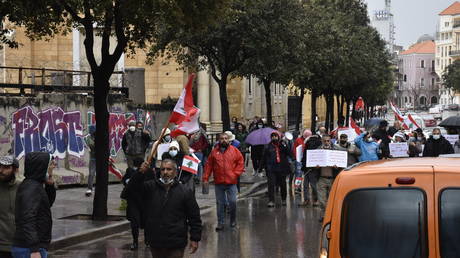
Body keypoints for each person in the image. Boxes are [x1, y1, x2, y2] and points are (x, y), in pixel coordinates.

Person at [129, 159, 202, 258]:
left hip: (176, 242)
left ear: (175, 172)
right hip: (156, 241)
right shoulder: (150, 187)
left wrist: (195, 239)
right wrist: (140, 172)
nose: (165, 172)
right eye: (163, 169)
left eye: (169, 169)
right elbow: (132, 189)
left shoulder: (185, 192)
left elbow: (194, 217)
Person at [12, 152, 56, 258]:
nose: (53, 166)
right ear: (42, 167)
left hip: (32, 246)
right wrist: (34, 249)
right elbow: (27, 218)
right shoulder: (31, 188)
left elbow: (46, 205)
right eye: (50, 164)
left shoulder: (34, 185)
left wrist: (50, 186)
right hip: (29, 248)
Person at [203, 133, 244, 231]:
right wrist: (205, 178)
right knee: (220, 203)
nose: (224, 140)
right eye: (222, 139)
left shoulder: (235, 151)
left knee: (233, 202)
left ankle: (233, 221)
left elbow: (240, 162)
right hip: (219, 182)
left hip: (231, 182)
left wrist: (235, 174)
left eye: (226, 138)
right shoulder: (214, 152)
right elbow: (208, 166)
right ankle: (220, 223)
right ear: (218, 140)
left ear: (229, 140)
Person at [122, 157, 147, 251]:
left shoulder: (147, 172)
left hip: (144, 201)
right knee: (134, 223)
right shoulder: (130, 171)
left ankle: (147, 240)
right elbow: (124, 180)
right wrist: (126, 181)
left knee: (146, 222)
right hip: (133, 201)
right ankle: (135, 242)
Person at [260, 131, 290, 208]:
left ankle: (283, 199)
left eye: (275, 136)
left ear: (278, 137)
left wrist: (285, 145)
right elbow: (263, 158)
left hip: (282, 168)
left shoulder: (283, 145)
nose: (274, 138)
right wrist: (260, 168)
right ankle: (271, 201)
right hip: (271, 169)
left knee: (283, 185)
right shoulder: (267, 146)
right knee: (271, 185)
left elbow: (289, 153)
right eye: (272, 136)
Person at [315, 135, 339, 220]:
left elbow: (341, 163)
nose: (326, 142)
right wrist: (316, 166)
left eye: (328, 141)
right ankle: (324, 215)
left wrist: (337, 167)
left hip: (333, 179)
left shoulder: (336, 150)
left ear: (330, 141)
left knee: (332, 199)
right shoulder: (318, 151)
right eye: (324, 141)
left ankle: (331, 216)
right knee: (322, 199)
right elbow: (312, 164)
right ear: (322, 141)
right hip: (321, 178)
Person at [0, 156, 20, 258]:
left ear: (15, 170)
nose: (1, 170)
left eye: (6, 167)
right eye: (0, 166)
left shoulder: (22, 187)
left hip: (18, 245)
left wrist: (50, 186)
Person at [299, 134, 322, 207]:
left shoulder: (308, 142)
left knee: (306, 184)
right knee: (313, 184)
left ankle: (307, 200)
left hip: (307, 166)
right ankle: (316, 200)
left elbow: (304, 155)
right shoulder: (318, 143)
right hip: (314, 167)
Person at [85, 125, 96, 196]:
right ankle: (90, 188)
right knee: (91, 174)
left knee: (101, 174)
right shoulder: (89, 137)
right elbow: (90, 144)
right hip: (93, 158)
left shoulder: (100, 136)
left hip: (100, 158)